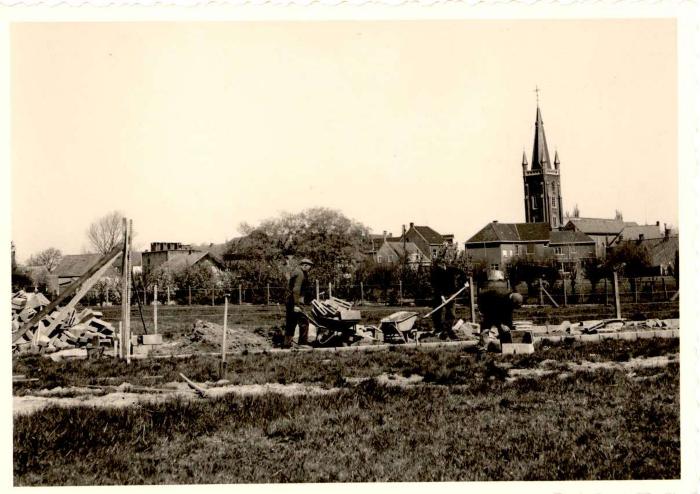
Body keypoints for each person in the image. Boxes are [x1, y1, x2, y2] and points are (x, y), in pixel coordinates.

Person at [430, 256, 465, 340]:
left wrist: (464, 282)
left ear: (443, 265)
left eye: (440, 266)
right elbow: (436, 286)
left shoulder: (451, 270)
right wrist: (442, 297)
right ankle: (438, 329)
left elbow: (462, 272)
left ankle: (448, 330)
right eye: (438, 266)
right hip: (439, 294)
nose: (439, 268)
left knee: (451, 313)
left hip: (451, 293)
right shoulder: (435, 272)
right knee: (437, 313)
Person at [284, 258, 314, 348]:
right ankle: (303, 343)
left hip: (290, 300)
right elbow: (296, 290)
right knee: (304, 321)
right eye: (309, 267)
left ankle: (287, 343)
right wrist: (296, 305)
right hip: (295, 301)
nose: (309, 269)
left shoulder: (296, 272)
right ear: (304, 265)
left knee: (291, 322)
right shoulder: (300, 274)